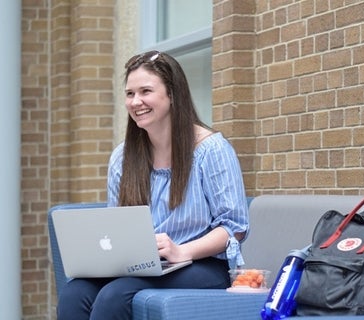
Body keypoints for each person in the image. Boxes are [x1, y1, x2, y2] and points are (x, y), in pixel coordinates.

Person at [56, 50, 249, 320]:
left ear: (172, 94)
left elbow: (234, 228)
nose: (136, 102)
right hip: (141, 265)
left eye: (146, 91)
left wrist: (182, 251)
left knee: (115, 295)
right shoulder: (122, 157)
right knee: (74, 293)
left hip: (201, 265)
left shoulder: (211, 150)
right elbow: (115, 227)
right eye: (130, 94)